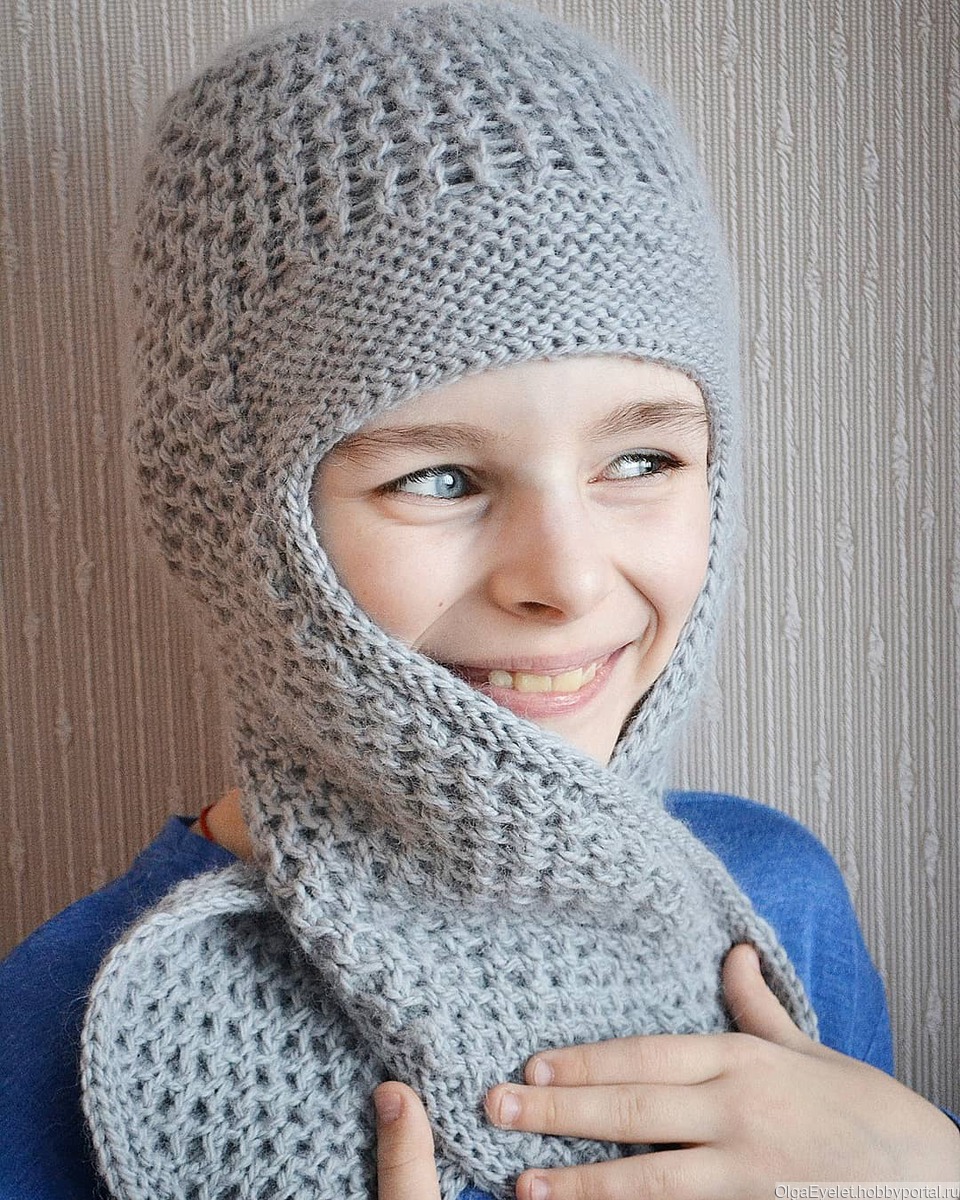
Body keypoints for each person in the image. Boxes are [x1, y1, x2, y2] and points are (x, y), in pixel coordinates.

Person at [1, 1, 957, 1197]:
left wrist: (926, 1171)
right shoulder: (59, 1029)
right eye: (440, 479)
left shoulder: (775, 898)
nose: (565, 577)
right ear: (230, 523)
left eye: (642, 459)